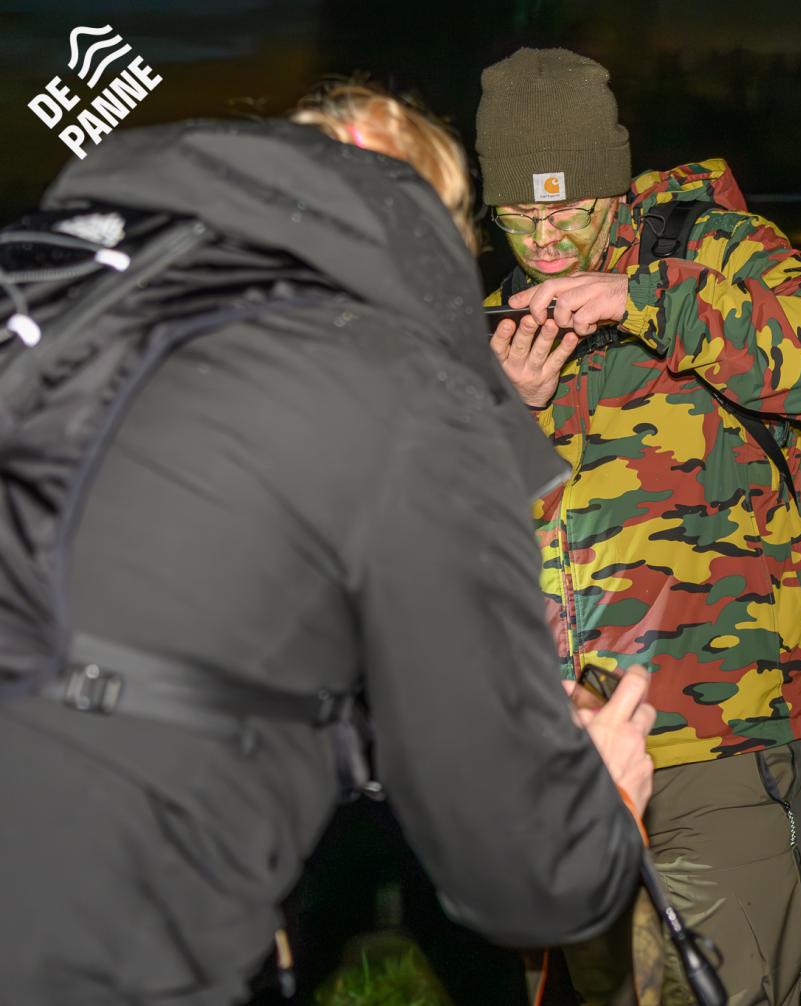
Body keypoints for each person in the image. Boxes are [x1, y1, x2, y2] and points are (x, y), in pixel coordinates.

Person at [0, 84, 653, 1004]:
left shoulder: (67, 286)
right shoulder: (394, 375)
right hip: (99, 914)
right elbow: (525, 872)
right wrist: (598, 801)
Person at [473, 47, 801, 1005]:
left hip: (720, 729)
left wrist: (647, 300)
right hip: (564, 745)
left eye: (570, 209)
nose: (548, 239)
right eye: (521, 217)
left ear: (612, 187)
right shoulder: (494, 317)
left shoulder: (710, 249)